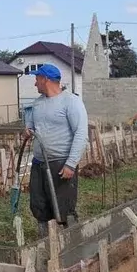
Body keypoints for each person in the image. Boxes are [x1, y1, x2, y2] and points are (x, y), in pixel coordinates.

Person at [23, 65, 88, 235]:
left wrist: (71, 164)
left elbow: (81, 134)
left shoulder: (71, 102)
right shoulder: (37, 104)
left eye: (37, 79)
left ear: (46, 79)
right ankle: (45, 244)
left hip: (60, 164)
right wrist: (28, 130)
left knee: (64, 208)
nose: (35, 84)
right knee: (39, 205)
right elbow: (31, 126)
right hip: (39, 163)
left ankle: (71, 245)